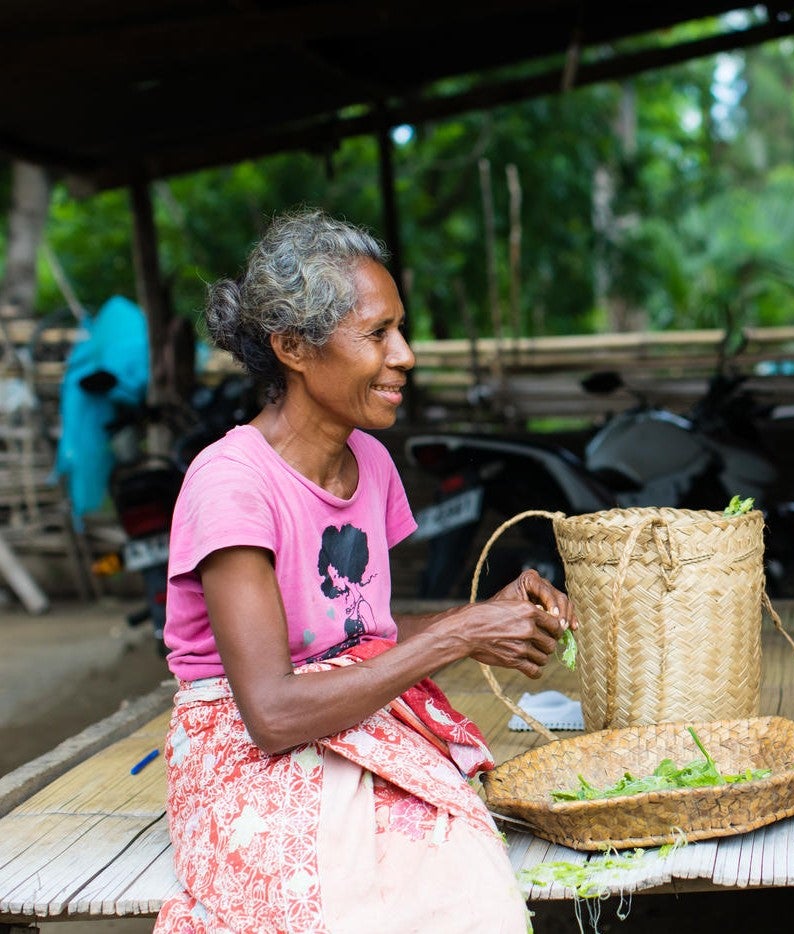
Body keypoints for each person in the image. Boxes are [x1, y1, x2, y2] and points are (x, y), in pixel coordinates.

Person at [156, 208, 576, 933]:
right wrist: (456, 638)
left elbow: (352, 636)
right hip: (246, 747)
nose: (405, 354)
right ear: (292, 346)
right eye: (378, 333)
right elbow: (273, 713)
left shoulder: (371, 463)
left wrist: (477, 621)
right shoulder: (231, 484)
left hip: (340, 720)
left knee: (454, 866)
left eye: (399, 329)